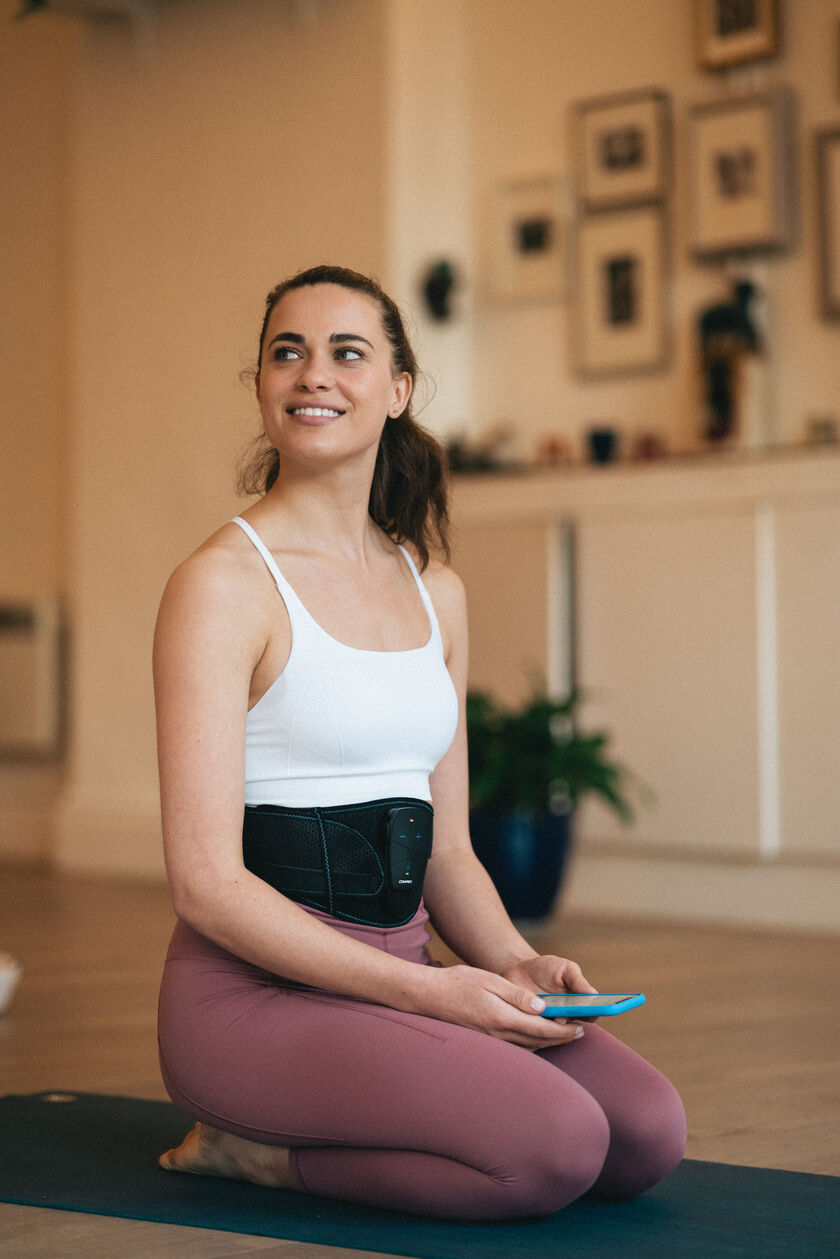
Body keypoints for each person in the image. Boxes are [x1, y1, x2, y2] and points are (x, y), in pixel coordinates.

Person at [154, 264, 686, 1220]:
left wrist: (514, 965)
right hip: (254, 1005)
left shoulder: (435, 590)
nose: (313, 374)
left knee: (646, 1131)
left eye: (346, 352)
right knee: (555, 1148)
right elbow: (206, 884)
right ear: (264, 386)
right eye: (288, 352)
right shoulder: (221, 585)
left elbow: (446, 849)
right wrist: (435, 997)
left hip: (402, 977)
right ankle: (251, 1150)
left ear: (397, 390)